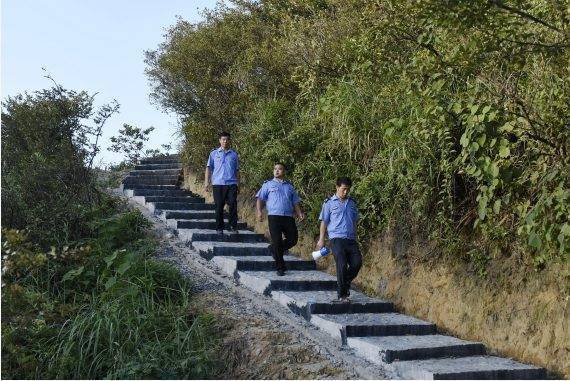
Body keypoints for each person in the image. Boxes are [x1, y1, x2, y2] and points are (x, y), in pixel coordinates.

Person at [317, 177, 362, 303]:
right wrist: (321, 239)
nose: (346, 192)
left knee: (357, 263)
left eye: (348, 189)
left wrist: (355, 236)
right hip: (336, 239)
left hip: (351, 239)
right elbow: (324, 222)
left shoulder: (352, 203)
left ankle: (344, 281)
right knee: (341, 265)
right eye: (343, 189)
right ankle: (342, 295)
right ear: (337, 187)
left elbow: (354, 222)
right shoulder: (329, 203)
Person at [256, 163, 305, 276]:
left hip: (288, 217)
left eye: (280, 169)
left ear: (284, 171)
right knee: (277, 241)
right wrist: (259, 211)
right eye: (275, 169)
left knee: (293, 239)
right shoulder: (268, 184)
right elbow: (260, 198)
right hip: (274, 217)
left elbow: (295, 202)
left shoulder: (289, 186)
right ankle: (280, 267)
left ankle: (273, 248)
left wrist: (299, 213)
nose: (277, 171)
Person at [204, 131, 240, 234]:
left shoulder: (234, 154)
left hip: (231, 184)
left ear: (230, 141)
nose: (225, 141)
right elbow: (208, 168)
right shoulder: (214, 153)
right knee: (219, 206)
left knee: (233, 203)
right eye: (223, 139)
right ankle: (219, 228)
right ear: (220, 141)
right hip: (218, 184)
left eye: (227, 139)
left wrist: (239, 184)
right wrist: (207, 182)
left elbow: (237, 170)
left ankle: (233, 226)